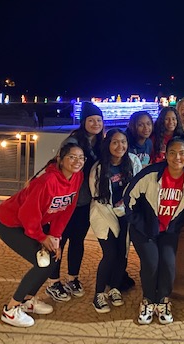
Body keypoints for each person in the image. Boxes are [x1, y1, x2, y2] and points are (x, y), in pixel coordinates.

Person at [0, 142, 85, 327]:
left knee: (52, 258)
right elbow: (27, 214)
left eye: (81, 158)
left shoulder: (78, 176)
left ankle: (28, 300)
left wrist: (56, 237)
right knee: (43, 262)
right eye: (72, 157)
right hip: (9, 222)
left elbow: (67, 209)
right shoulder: (47, 180)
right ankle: (11, 309)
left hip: (32, 224)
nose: (77, 161)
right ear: (60, 159)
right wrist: (42, 238)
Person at [124, 136, 184, 325]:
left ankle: (163, 300)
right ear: (165, 155)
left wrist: (176, 224)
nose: (177, 157)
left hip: (169, 230)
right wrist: (140, 223)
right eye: (173, 153)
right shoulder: (150, 174)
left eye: (182, 153)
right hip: (145, 229)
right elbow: (128, 198)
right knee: (151, 263)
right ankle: (148, 300)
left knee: (168, 264)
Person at [46, 101, 104, 302]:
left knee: (77, 241)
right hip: (66, 201)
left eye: (99, 120)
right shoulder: (73, 142)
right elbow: (58, 166)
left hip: (84, 201)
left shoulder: (99, 142)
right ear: (83, 122)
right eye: (91, 120)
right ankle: (53, 282)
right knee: (59, 241)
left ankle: (72, 278)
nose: (96, 123)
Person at [89, 129, 142, 313]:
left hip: (126, 213)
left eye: (124, 142)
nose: (120, 146)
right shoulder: (99, 168)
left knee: (123, 253)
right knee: (110, 253)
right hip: (104, 213)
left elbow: (138, 188)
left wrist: (127, 210)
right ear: (108, 145)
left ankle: (115, 288)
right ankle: (98, 294)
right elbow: (97, 196)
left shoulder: (133, 161)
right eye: (115, 142)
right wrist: (116, 210)